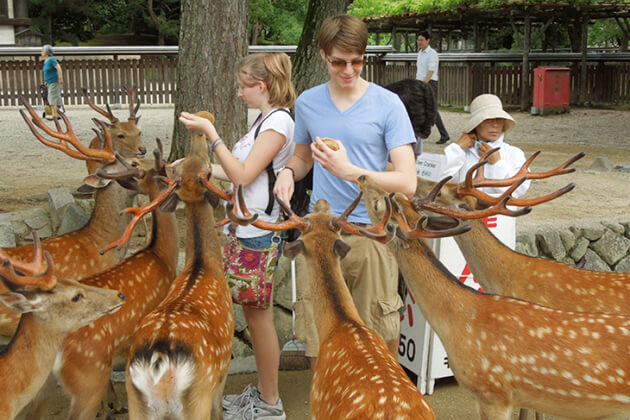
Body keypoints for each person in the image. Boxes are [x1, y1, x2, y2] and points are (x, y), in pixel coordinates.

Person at [273, 14, 417, 366]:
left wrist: (353, 172)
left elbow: (407, 181)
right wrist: (290, 172)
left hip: (372, 231)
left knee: (379, 338)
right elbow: (304, 155)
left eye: (357, 61)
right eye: (339, 62)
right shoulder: (307, 102)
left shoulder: (388, 104)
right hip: (323, 231)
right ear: (323, 55)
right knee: (323, 343)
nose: (349, 70)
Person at [179, 52, 295, 420]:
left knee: (258, 317)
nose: (239, 94)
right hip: (245, 229)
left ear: (260, 86)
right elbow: (241, 171)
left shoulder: (277, 124)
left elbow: (244, 175)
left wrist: (211, 135)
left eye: (243, 87)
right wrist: (198, 168)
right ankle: (263, 392)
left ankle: (270, 403)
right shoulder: (264, 120)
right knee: (252, 312)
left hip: (260, 232)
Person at [441, 93, 531, 198]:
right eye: (488, 120)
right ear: (476, 124)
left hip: (499, 212)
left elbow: (520, 190)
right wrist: (457, 148)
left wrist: (498, 164)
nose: (495, 125)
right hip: (464, 212)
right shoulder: (462, 153)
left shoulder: (514, 153)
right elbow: (442, 184)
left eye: (499, 119)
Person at [416, 31, 450, 145]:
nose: (419, 42)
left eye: (421, 40)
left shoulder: (432, 53)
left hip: (429, 83)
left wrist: (425, 84)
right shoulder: (420, 53)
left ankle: (444, 134)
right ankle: (420, 133)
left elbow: (431, 71)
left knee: (431, 109)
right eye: (418, 40)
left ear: (428, 40)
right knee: (422, 108)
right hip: (421, 82)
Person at [41, 44, 64, 119]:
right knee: (52, 97)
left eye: (43, 50)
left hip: (54, 81)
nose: (41, 52)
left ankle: (55, 114)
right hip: (49, 82)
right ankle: (56, 113)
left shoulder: (51, 59)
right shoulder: (46, 61)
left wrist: (60, 78)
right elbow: (47, 72)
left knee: (52, 97)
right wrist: (46, 81)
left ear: (47, 52)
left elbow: (58, 68)